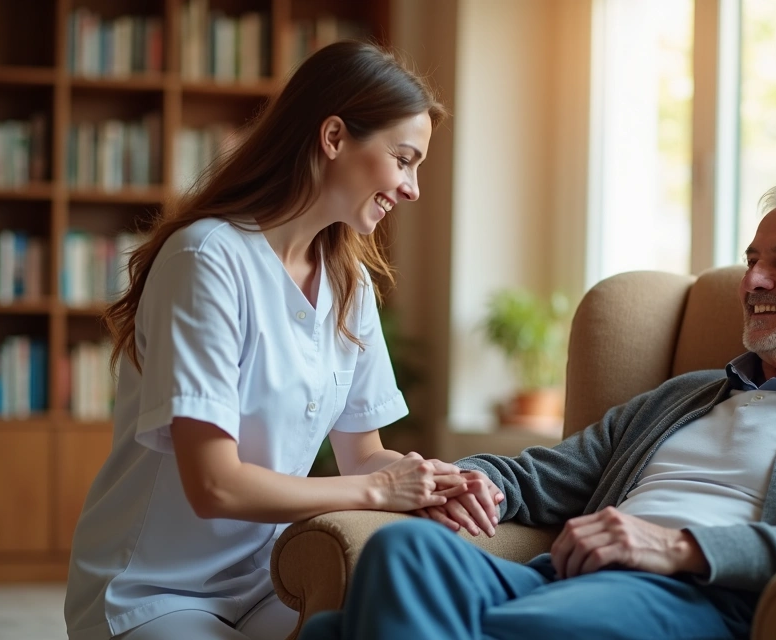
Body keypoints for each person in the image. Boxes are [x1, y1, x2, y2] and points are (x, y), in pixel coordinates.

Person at [300, 183, 776, 640]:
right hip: (556, 578)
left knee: (348, 629)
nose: (751, 280)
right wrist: (465, 480)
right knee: (403, 551)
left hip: (690, 598)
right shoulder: (686, 395)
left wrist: (671, 546)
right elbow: (544, 473)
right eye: (752, 260)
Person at [63, 42, 485, 640]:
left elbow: (364, 456)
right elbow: (212, 483)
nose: (412, 187)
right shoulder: (207, 259)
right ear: (334, 136)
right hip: (155, 590)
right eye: (403, 158)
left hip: (268, 580)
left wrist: (436, 481)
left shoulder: (349, 283)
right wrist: (380, 490)